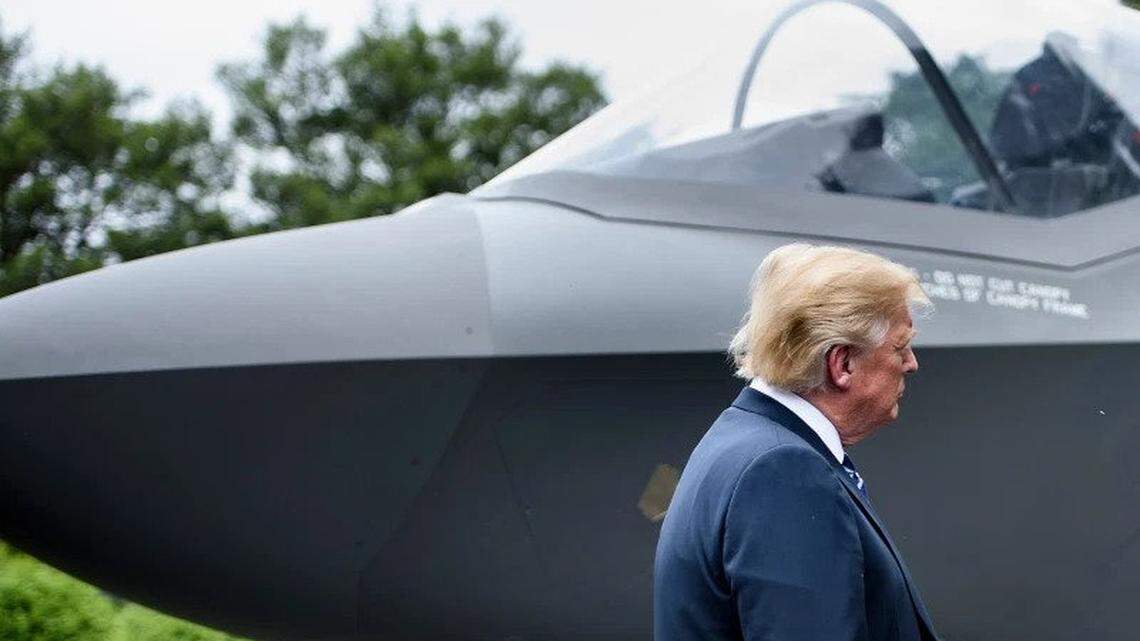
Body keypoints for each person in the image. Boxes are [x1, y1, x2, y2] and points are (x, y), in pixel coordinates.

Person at [653, 243, 938, 641]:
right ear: (843, 364)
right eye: (899, 346)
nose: (911, 363)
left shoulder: (741, 441)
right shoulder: (783, 472)